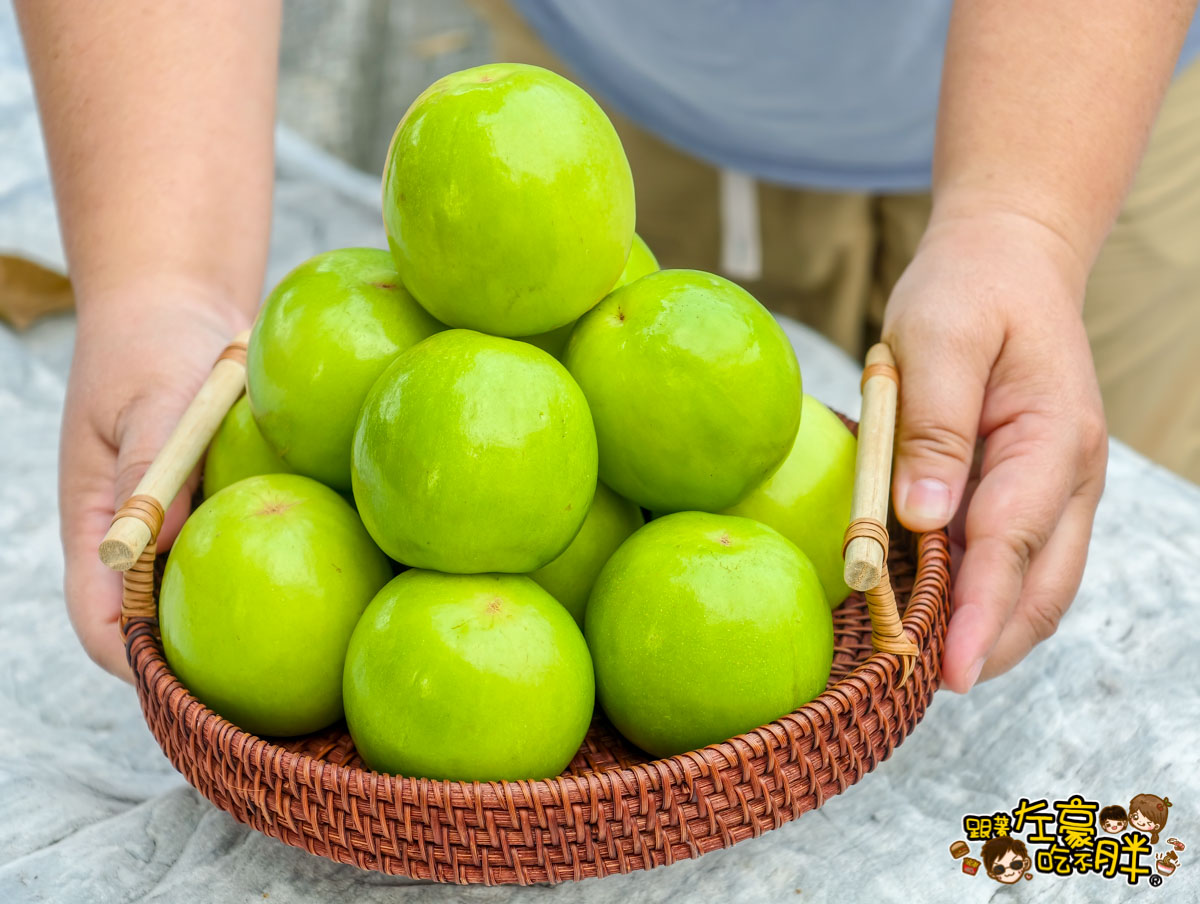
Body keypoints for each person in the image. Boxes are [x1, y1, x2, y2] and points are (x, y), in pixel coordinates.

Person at [13, 1, 1198, 693]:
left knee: (1081, 510)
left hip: (1093, 96)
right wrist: (158, 276)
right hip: (588, 108)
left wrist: (1026, 220)